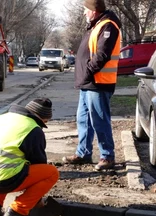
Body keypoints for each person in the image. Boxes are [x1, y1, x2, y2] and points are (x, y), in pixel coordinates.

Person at [0, 98, 59, 216]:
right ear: (40, 118)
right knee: (51, 172)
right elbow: (38, 164)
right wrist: (36, 198)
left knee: (6, 164)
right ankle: (18, 211)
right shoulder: (32, 128)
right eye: (44, 123)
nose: (42, 126)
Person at [62, 0, 121, 171]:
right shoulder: (97, 25)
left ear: (93, 11)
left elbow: (102, 55)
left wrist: (87, 71)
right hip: (89, 82)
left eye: (85, 10)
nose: (84, 13)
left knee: (99, 120)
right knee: (83, 120)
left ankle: (107, 156)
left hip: (99, 82)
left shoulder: (108, 26)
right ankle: (83, 153)